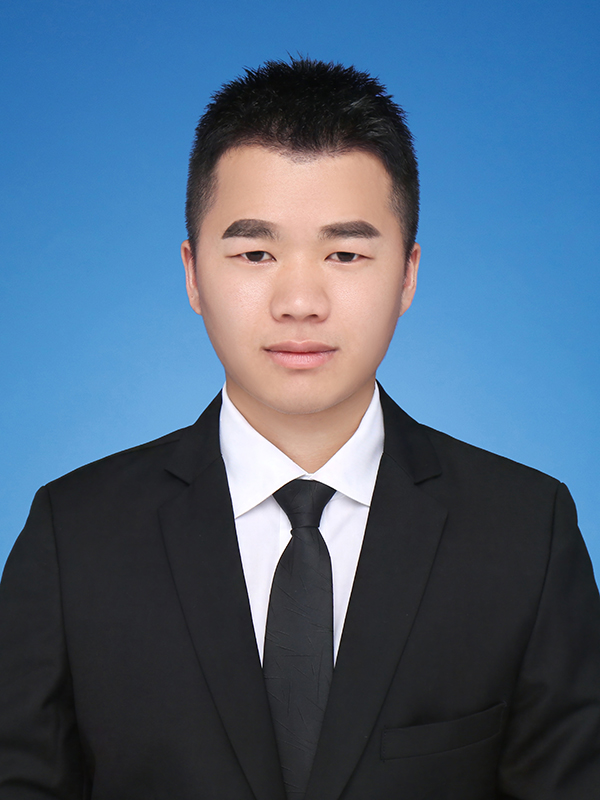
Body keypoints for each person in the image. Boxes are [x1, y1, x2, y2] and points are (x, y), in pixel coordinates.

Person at [1, 57, 599, 800]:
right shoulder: (74, 536)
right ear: (193, 273)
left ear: (407, 274)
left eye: (345, 253)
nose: (300, 300)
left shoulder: (526, 532)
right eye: (256, 253)